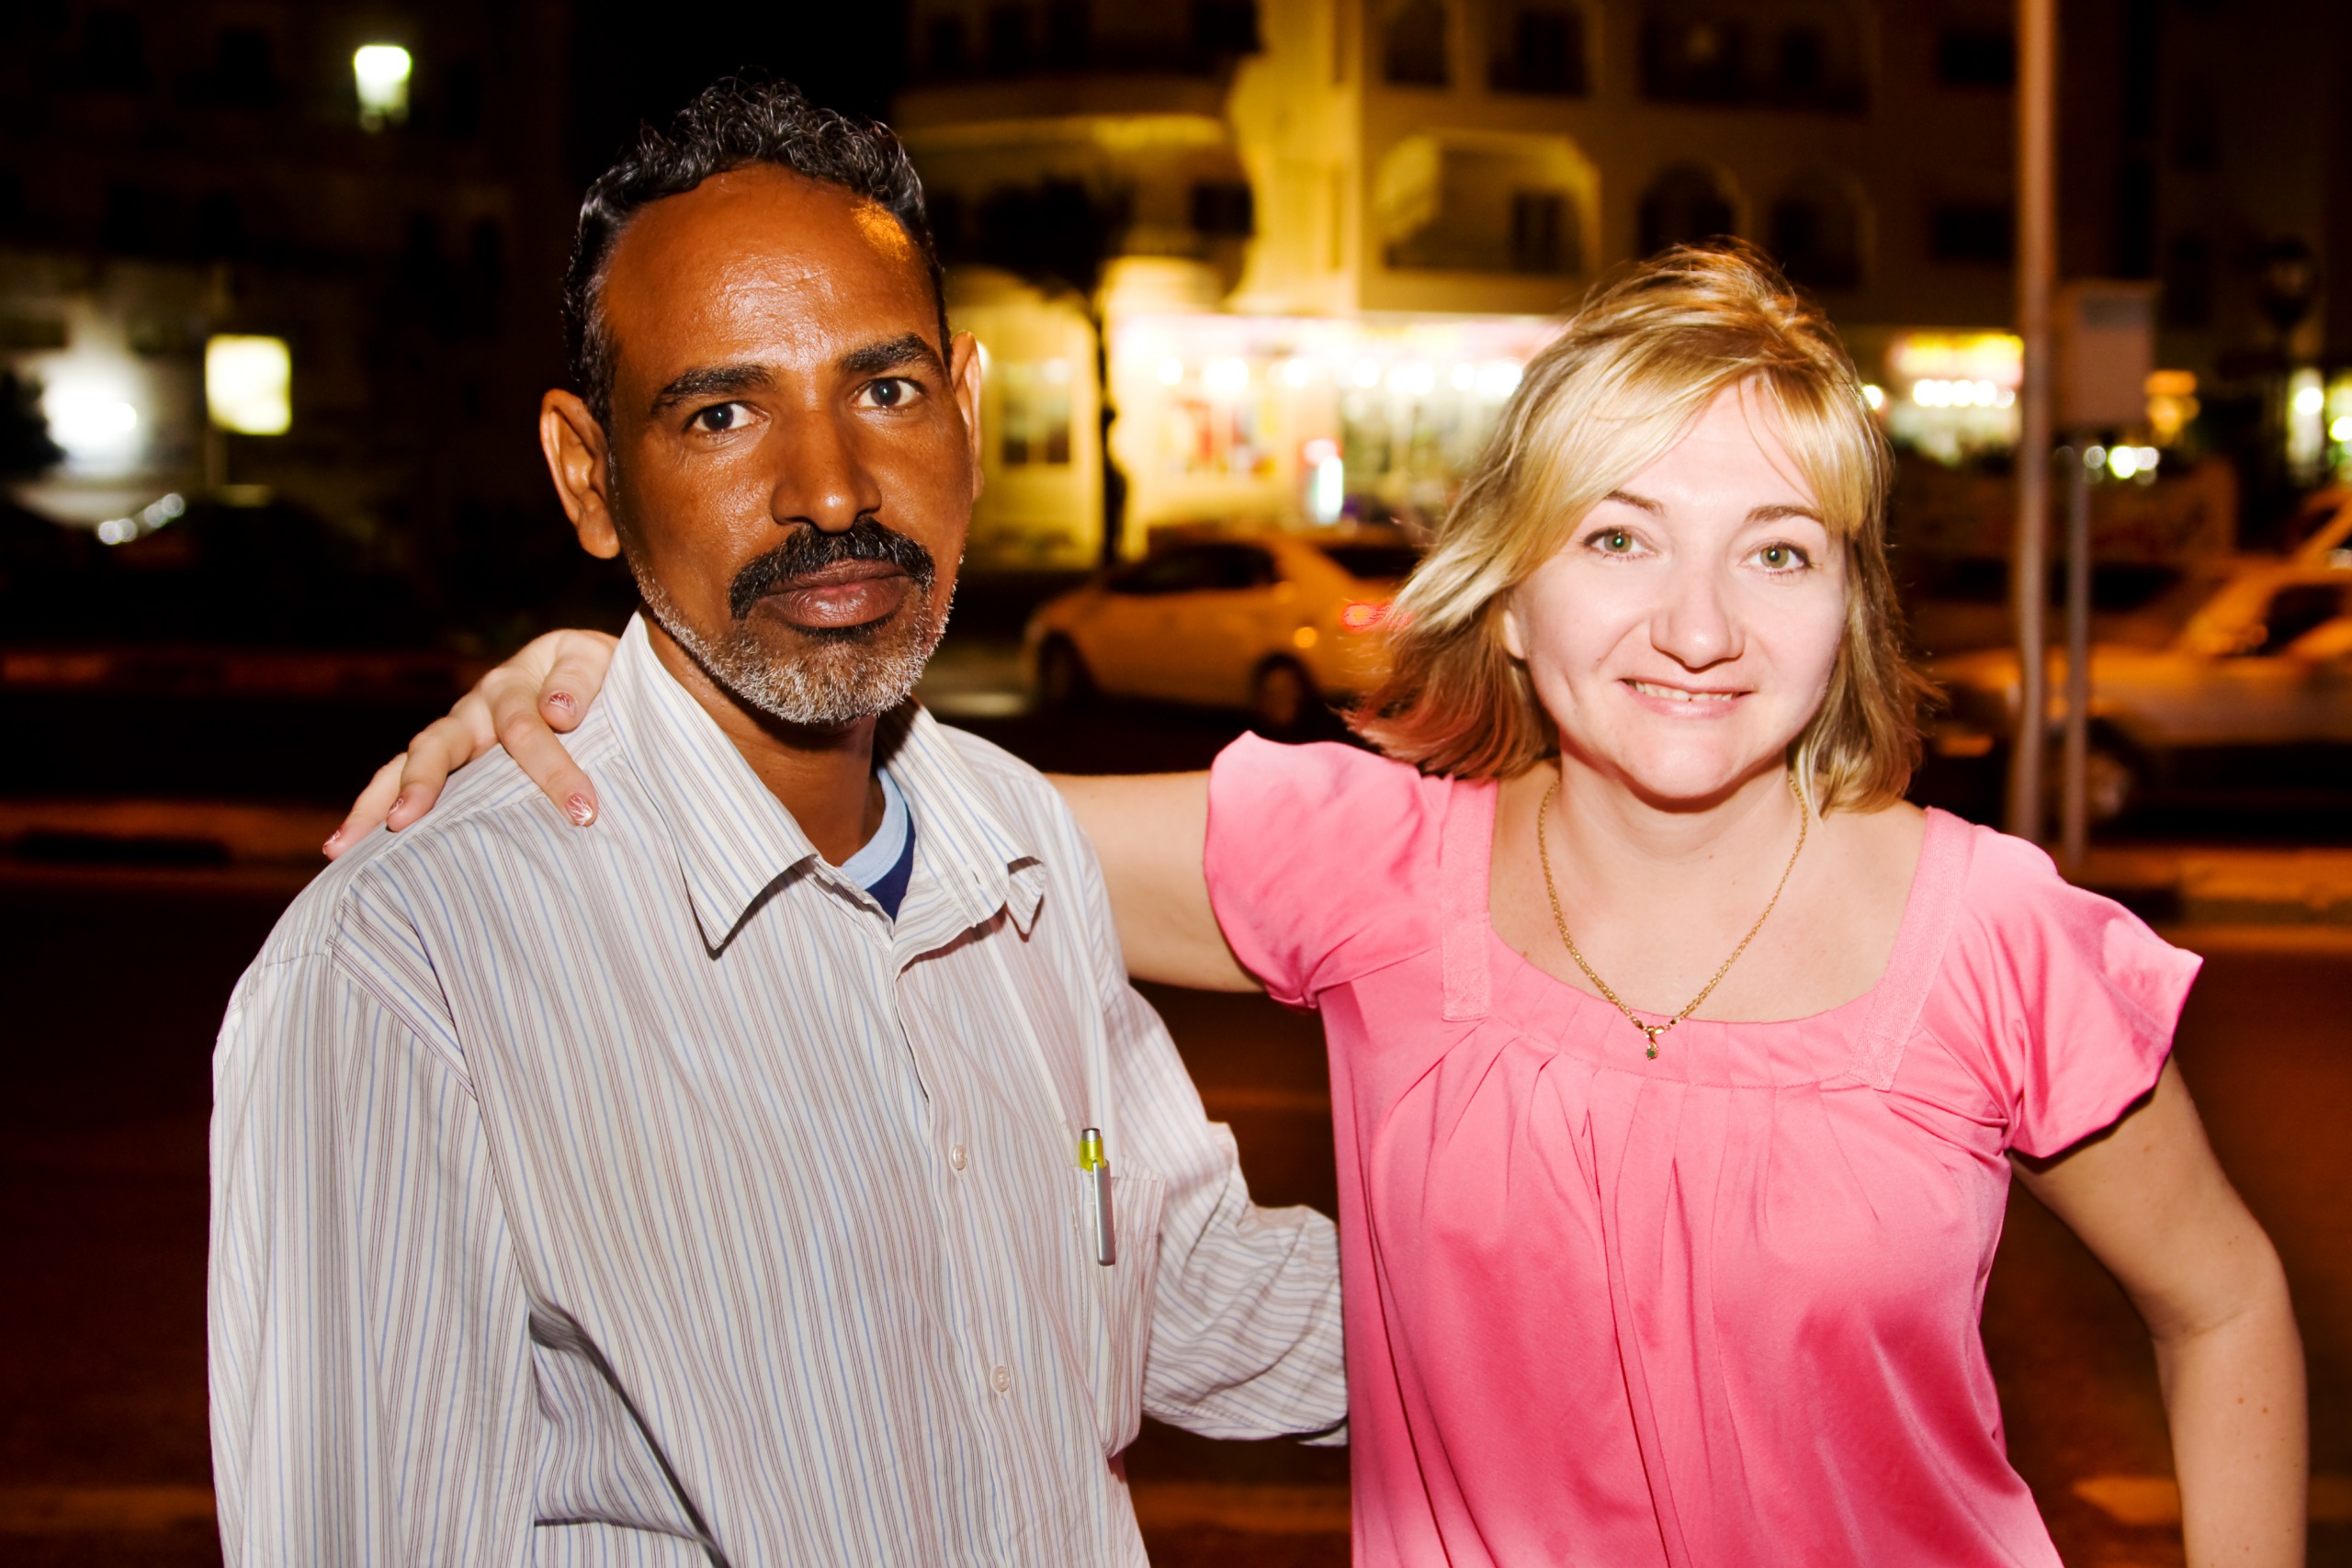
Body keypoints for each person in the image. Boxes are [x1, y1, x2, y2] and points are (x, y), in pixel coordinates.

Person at [346, 246, 2305, 1567]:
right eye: (1620, 538)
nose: (1699, 625)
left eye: (1776, 551)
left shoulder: (1994, 941)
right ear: (1510, 598)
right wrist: (658, 696)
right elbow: (921, 803)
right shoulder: (1370, 872)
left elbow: (2222, 1299)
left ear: (1847, 602)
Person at [214, 79, 1344, 1566]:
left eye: (886, 392)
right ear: (590, 478)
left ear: (971, 418)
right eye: (723, 413)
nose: (830, 488)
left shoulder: (1014, 846)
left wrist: (1619, 1310)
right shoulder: (407, 969)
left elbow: (1179, 1279)